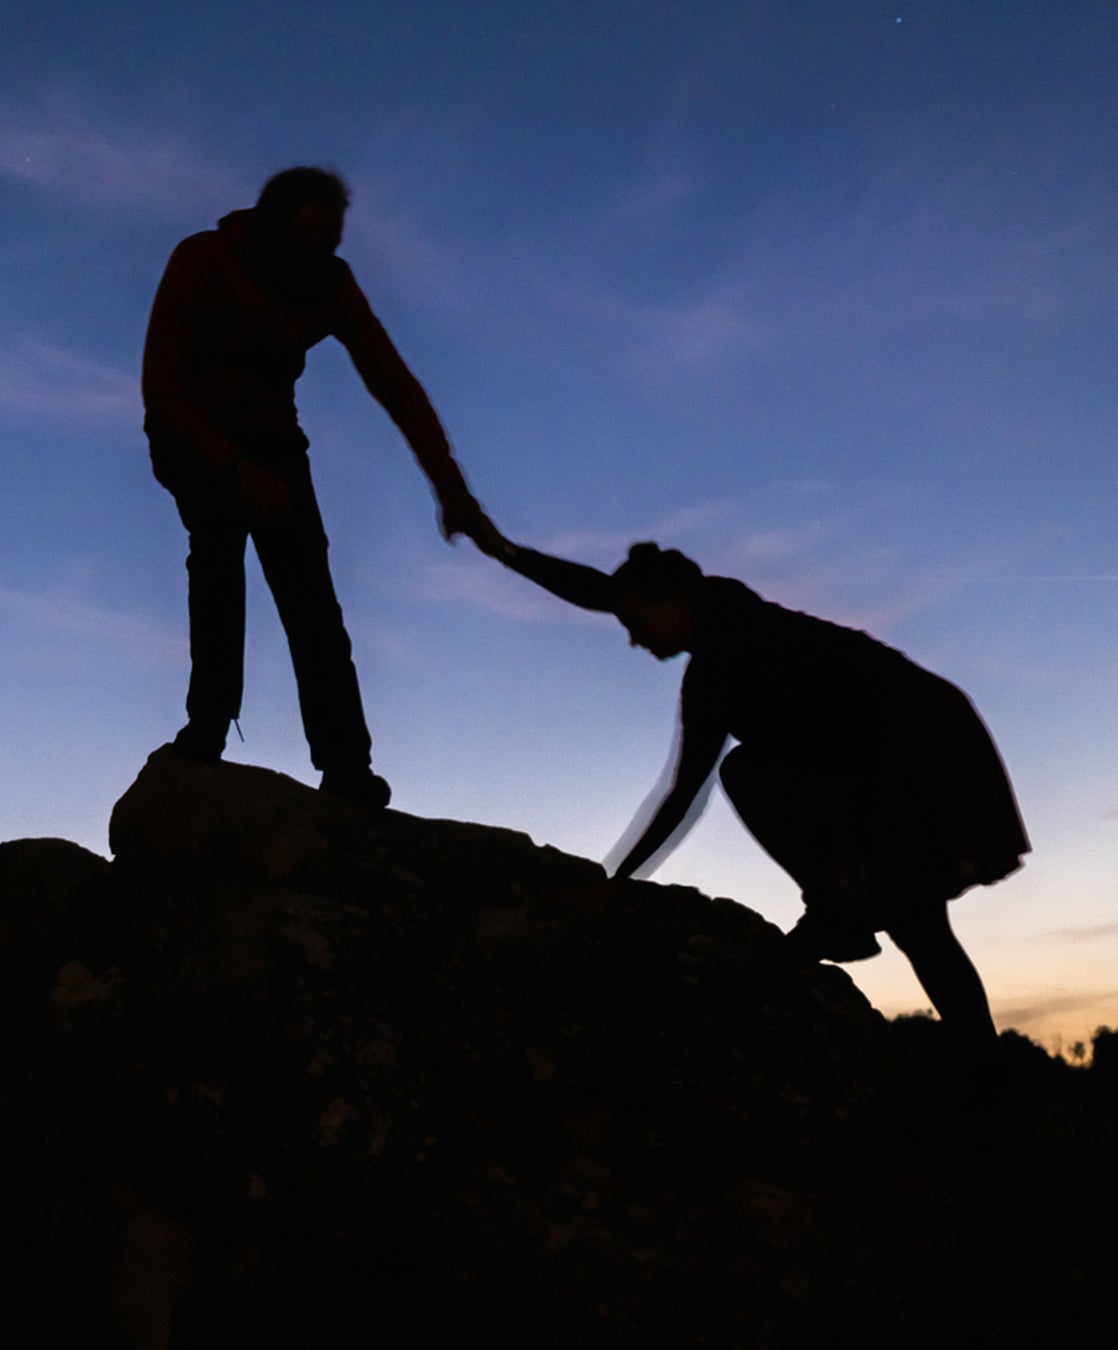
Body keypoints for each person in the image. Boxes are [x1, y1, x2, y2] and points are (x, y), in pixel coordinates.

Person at [481, 536, 1027, 1055]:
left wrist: (615, 886)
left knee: (759, 782)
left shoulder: (730, 646)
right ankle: (980, 1069)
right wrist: (505, 550)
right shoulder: (717, 631)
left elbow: (683, 794)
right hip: (896, 744)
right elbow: (600, 592)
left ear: (672, 599)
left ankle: (842, 918)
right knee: (917, 923)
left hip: (920, 742)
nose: (632, 638)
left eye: (636, 622)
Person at [143, 167, 499, 807]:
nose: (319, 257)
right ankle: (207, 728)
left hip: (274, 442)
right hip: (191, 432)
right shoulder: (203, 258)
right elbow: (162, 390)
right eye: (306, 241)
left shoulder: (329, 283)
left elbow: (395, 384)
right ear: (270, 227)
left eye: (330, 244)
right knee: (219, 557)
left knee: (311, 598)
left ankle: (346, 766)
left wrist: (452, 489)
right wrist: (233, 469)